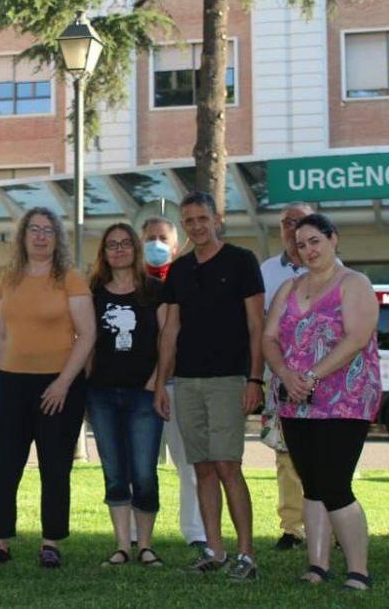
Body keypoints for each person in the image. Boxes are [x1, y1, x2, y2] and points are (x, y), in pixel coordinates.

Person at [262, 213, 382, 591]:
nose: (308, 250)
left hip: (344, 400)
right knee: (310, 484)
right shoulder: (288, 288)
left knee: (335, 484)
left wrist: (311, 375)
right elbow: (268, 339)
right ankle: (317, 565)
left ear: (333, 239)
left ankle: (358, 570)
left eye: (315, 240)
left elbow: (357, 337)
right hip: (296, 401)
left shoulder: (355, 283)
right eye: (301, 244)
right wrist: (285, 375)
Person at [0, 207, 96, 569]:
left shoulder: (70, 279)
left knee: (55, 467)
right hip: (12, 384)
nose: (41, 236)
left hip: (59, 386)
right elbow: (0, 335)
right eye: (34, 230)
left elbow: (87, 334)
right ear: (23, 237)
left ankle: (50, 543)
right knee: (2, 468)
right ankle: (0, 542)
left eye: (48, 230)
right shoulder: (8, 279)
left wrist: (62, 383)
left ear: (57, 238)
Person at [154, 191, 265, 580]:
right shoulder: (180, 269)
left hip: (229, 380)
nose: (197, 226)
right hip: (186, 382)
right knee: (200, 466)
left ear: (217, 219)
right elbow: (171, 329)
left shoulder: (241, 261)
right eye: (189, 221)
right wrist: (161, 383)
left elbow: (257, 326)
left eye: (202, 218)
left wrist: (255, 378)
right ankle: (214, 550)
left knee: (227, 465)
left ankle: (247, 555)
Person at [86, 224, 166, 567]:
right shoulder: (93, 291)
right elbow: (86, 342)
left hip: (143, 393)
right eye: (111, 245)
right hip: (101, 393)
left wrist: (156, 382)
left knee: (144, 472)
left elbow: (167, 340)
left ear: (136, 249)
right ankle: (122, 545)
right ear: (103, 253)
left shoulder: (154, 290)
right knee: (115, 471)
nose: (118, 250)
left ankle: (145, 545)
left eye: (125, 244)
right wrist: (86, 388)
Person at [140, 216, 205, 552]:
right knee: (139, 463)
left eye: (163, 238)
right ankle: (137, 534)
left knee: (189, 464)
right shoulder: (131, 285)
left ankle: (195, 531)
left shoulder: (188, 280)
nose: (156, 244)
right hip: (138, 390)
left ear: (176, 246)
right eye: (150, 238)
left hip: (179, 385)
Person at [258, 202, 314, 551]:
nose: (293, 230)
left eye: (301, 223)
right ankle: (293, 528)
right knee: (285, 452)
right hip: (277, 376)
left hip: (322, 379)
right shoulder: (265, 271)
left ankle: (332, 526)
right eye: (286, 223)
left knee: (323, 450)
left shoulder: (335, 269)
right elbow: (258, 327)